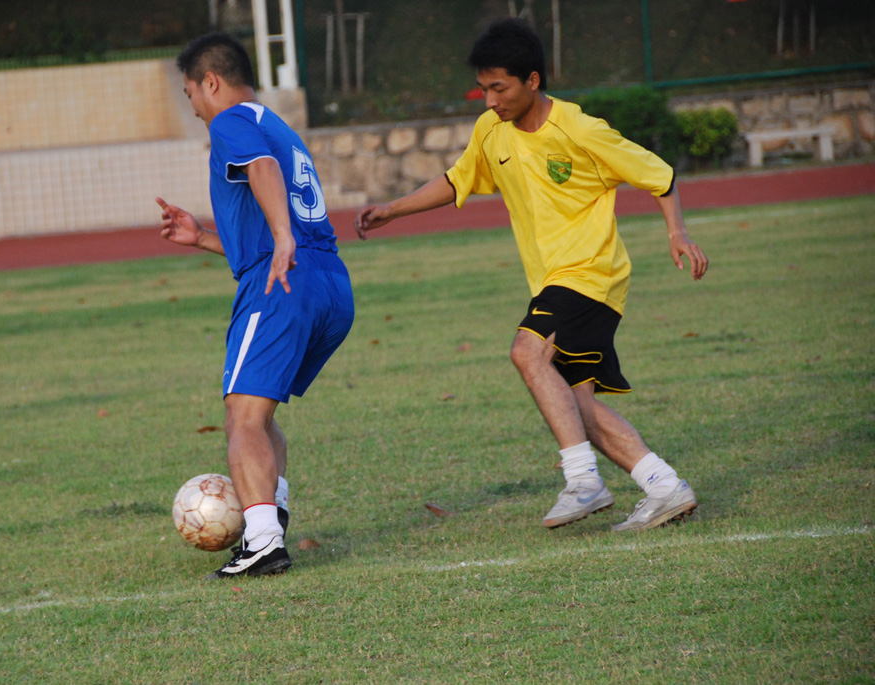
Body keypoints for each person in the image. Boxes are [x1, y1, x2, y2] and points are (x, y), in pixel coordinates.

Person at [354, 18, 709, 532]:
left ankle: (583, 481)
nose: (490, 100)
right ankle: (664, 486)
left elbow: (659, 175)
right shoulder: (490, 130)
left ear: (533, 80)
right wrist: (393, 209)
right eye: (484, 89)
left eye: (500, 88)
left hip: (590, 273)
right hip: (555, 281)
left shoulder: (579, 129)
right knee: (574, 404)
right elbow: (457, 179)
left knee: (526, 351)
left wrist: (677, 233)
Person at [157, 32, 354, 578]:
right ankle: (272, 516)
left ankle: (263, 541)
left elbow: (262, 171)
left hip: (283, 282)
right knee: (258, 415)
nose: (193, 107)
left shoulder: (230, 122)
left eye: (190, 93)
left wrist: (282, 237)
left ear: (211, 82)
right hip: (329, 283)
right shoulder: (277, 125)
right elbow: (264, 232)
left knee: (240, 416)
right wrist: (202, 237)